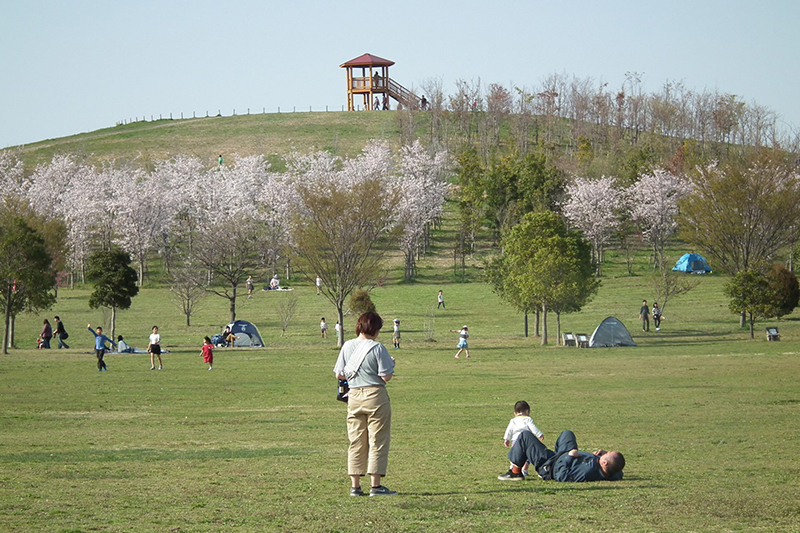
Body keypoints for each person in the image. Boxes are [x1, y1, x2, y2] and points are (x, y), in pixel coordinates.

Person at [333, 312, 397, 497]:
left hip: (353, 396)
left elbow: (340, 374)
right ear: (375, 329)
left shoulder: (347, 346)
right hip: (375, 395)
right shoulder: (378, 348)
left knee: (356, 441)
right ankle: (375, 486)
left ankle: (355, 486)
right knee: (377, 439)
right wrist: (391, 364)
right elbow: (386, 376)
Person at [498, 429, 625, 482]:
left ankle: (515, 472)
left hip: (550, 465)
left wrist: (570, 457)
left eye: (606, 455)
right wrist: (601, 455)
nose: (605, 453)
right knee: (567, 433)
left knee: (525, 436)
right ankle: (557, 454)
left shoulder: (587, 471)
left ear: (605, 463)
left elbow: (562, 476)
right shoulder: (612, 471)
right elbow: (617, 471)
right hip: (561, 455)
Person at [503, 400, 545, 477]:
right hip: (526, 442)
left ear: (515, 413)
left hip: (515, 441)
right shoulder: (527, 419)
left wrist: (506, 439)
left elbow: (509, 430)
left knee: (515, 454)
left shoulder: (513, 421)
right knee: (527, 457)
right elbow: (533, 428)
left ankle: (513, 468)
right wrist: (539, 434)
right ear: (527, 411)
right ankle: (524, 470)